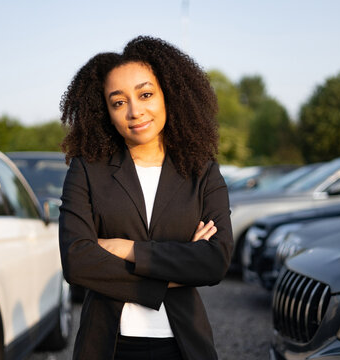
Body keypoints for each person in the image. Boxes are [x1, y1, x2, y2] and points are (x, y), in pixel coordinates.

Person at [59, 35, 233, 360]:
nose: (135, 111)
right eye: (118, 102)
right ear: (106, 112)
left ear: (169, 94)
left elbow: (214, 261)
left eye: (146, 94)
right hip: (108, 346)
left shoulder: (202, 171)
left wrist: (127, 249)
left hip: (183, 346)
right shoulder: (87, 170)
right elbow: (77, 262)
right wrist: (178, 268)